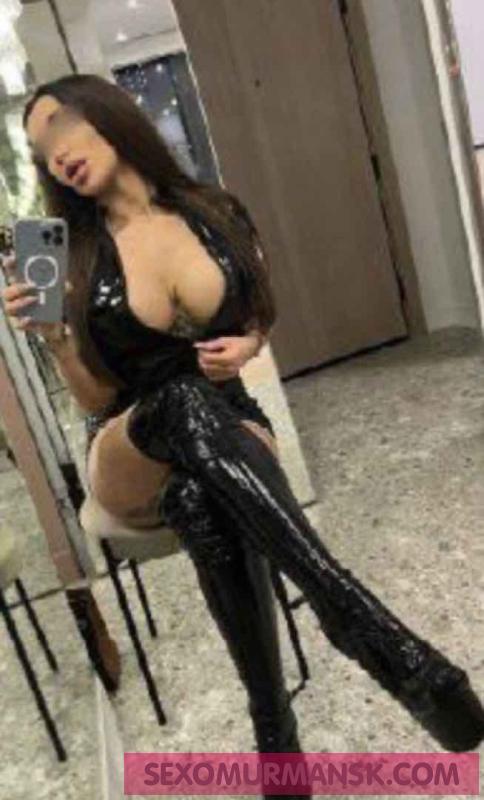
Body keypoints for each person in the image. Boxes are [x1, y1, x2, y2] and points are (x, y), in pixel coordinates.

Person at [2, 74, 483, 773]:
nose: (56, 156)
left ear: (107, 115)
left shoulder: (213, 211)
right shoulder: (73, 254)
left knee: (201, 501)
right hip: (127, 442)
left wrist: (250, 344)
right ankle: (350, 612)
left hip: (228, 423)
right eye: (40, 152)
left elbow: (258, 309)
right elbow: (95, 396)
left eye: (60, 129)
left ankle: (276, 747)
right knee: (180, 400)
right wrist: (55, 341)